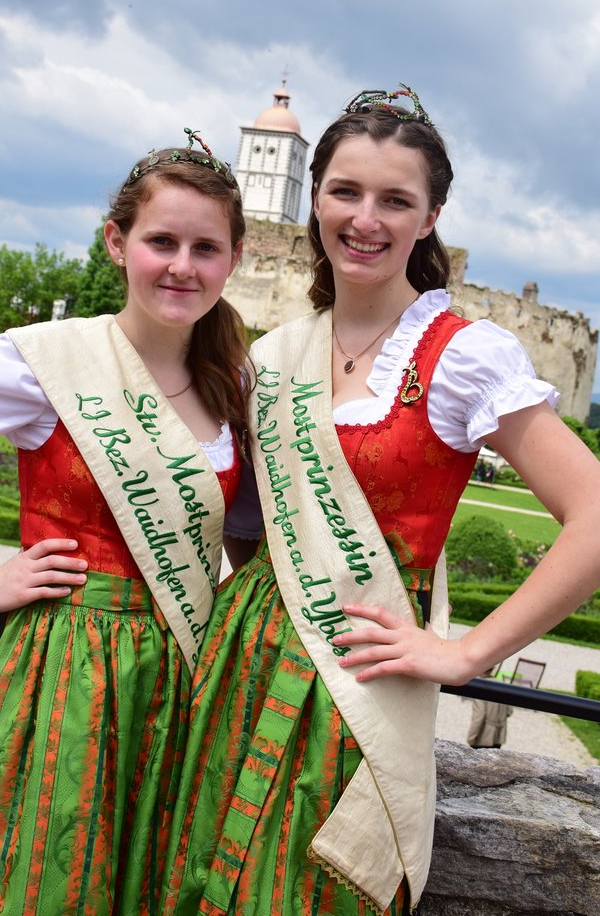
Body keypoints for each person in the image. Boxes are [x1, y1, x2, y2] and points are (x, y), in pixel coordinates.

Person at [160, 85, 600, 915]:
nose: (365, 219)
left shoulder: (463, 355)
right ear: (315, 198)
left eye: (395, 200)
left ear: (430, 218)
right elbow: (253, 523)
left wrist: (466, 656)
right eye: (346, 192)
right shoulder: (274, 355)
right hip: (241, 663)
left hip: (359, 686)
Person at [0, 130, 252, 915]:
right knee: (36, 880)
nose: (182, 266)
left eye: (205, 248)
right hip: (59, 664)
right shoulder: (42, 361)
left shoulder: (233, 383)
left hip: (179, 674)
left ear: (234, 259)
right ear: (117, 243)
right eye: (161, 241)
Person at [467, 671, 513, 749]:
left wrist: (471, 738)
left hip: (483, 736)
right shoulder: (503, 684)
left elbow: (479, 716)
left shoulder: (480, 686)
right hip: (498, 735)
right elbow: (509, 711)